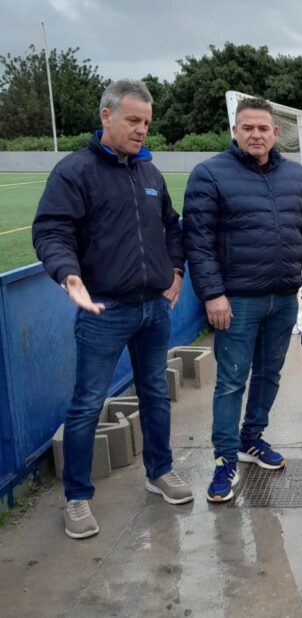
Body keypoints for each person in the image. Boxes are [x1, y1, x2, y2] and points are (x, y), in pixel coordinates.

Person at [32, 79, 193, 540]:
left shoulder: (150, 174)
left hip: (153, 311)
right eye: (132, 120)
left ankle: (160, 471)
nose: (142, 130)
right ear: (106, 117)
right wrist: (68, 274)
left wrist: (176, 271)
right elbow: (51, 232)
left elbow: (173, 227)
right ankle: (77, 498)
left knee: (155, 395)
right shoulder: (74, 172)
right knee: (87, 406)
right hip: (104, 311)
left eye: (146, 122)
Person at [183, 97, 302, 503]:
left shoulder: (295, 176)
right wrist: (213, 294)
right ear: (235, 131)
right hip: (238, 301)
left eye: (263, 128)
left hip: (284, 298)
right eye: (247, 127)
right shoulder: (209, 175)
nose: (256, 134)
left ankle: (252, 440)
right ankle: (224, 459)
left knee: (270, 374)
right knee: (231, 380)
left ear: (275, 132)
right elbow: (199, 242)